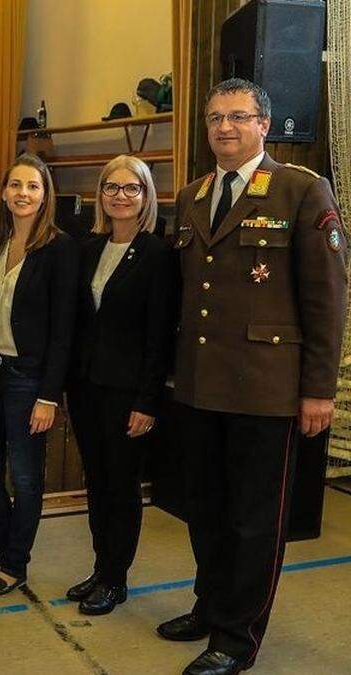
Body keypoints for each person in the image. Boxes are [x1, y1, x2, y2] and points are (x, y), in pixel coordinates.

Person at [158, 78, 347, 675]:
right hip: (199, 386)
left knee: (253, 521)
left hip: (268, 390)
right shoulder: (191, 195)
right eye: (215, 118)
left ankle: (237, 638)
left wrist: (318, 389)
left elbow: (328, 299)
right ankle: (210, 606)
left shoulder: (301, 190)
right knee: (206, 509)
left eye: (238, 117)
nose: (224, 128)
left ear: (265, 124)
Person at [65, 155, 175, 615]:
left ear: (146, 196)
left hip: (128, 395)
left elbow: (160, 336)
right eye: (112, 187)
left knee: (122, 487)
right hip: (86, 388)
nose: (121, 196)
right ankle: (100, 566)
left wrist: (147, 402)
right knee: (97, 483)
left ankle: (115, 578)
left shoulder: (158, 255)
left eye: (132, 188)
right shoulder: (87, 247)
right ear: (100, 195)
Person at [0, 153, 78, 598]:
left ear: (45, 194)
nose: (23, 194)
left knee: (26, 477)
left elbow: (64, 327)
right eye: (15, 185)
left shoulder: (59, 248)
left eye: (32, 186)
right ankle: (9, 552)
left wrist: (50, 395)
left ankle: (14, 563)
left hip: (28, 379)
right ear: (4, 192)